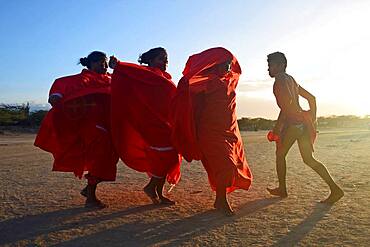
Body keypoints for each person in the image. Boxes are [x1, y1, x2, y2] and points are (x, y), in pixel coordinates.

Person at [170, 47, 253, 216]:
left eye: (229, 64)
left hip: (228, 131)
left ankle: (219, 200)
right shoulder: (208, 81)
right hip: (210, 131)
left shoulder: (229, 81)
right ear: (215, 65)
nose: (228, 67)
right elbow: (190, 94)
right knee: (226, 165)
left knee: (227, 166)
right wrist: (184, 83)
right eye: (224, 64)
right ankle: (222, 200)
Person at [35, 51, 119, 208]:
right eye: (101, 62)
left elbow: (130, 86)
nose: (105, 65)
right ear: (91, 64)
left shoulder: (112, 80)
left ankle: (89, 189)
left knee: (111, 158)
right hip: (90, 126)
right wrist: (57, 98)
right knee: (100, 157)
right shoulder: (80, 79)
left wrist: (120, 67)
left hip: (109, 125)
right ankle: (91, 197)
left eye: (106, 62)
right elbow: (59, 92)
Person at [266, 51, 344, 203]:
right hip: (302, 124)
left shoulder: (280, 80)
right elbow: (311, 98)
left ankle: (282, 189)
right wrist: (312, 121)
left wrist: (277, 128)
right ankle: (335, 189)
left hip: (293, 125)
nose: (268, 68)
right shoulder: (292, 80)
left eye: (271, 65)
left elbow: (286, 106)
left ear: (281, 65)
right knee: (308, 159)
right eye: (268, 65)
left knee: (280, 155)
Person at [109, 47, 181, 205]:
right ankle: (152, 188)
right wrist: (119, 65)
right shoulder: (146, 74)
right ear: (151, 60)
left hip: (165, 123)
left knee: (170, 157)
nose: (165, 62)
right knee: (167, 156)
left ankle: (157, 192)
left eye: (166, 59)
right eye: (161, 58)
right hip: (152, 124)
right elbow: (134, 72)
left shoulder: (162, 76)